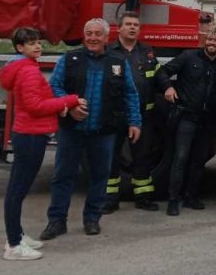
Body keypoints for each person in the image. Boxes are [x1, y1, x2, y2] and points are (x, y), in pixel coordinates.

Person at [40, 19, 141, 241]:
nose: (92, 38)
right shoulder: (69, 59)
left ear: (106, 38)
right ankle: (56, 221)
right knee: (63, 176)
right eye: (89, 33)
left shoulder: (117, 62)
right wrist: (69, 105)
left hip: (104, 131)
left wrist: (135, 122)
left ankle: (92, 219)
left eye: (97, 34)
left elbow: (130, 94)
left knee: (99, 176)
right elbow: (54, 86)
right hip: (71, 129)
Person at [0, 27, 83, 260]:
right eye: (31, 43)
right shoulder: (28, 72)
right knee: (17, 190)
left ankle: (17, 235)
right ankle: (14, 245)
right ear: (19, 48)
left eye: (38, 42)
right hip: (30, 136)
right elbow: (35, 106)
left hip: (29, 134)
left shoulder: (27, 67)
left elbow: (36, 101)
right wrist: (69, 99)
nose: (37, 46)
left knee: (19, 188)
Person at [157, 28, 216, 216]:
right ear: (206, 39)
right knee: (180, 158)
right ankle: (173, 200)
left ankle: (191, 196)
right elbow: (162, 71)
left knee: (198, 161)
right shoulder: (188, 56)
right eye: (210, 39)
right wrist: (168, 88)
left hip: (208, 121)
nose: (212, 43)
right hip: (187, 117)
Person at [104, 11, 162, 213]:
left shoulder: (146, 51)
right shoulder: (109, 51)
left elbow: (157, 74)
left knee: (142, 157)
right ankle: (110, 199)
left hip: (143, 115)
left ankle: (143, 197)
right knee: (112, 157)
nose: (132, 27)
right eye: (128, 24)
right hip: (116, 115)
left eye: (135, 25)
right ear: (119, 28)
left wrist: (168, 87)